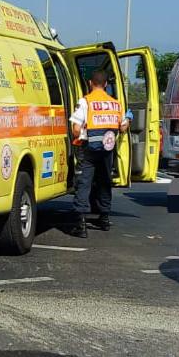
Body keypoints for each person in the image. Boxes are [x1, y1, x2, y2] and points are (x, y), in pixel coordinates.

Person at [69, 70, 130, 238]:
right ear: (106, 85)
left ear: (90, 83)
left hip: (88, 149)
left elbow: (75, 130)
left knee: (84, 183)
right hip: (107, 149)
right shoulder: (115, 104)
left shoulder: (85, 101)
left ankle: (81, 225)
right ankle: (104, 219)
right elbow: (123, 127)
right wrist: (129, 118)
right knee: (104, 181)